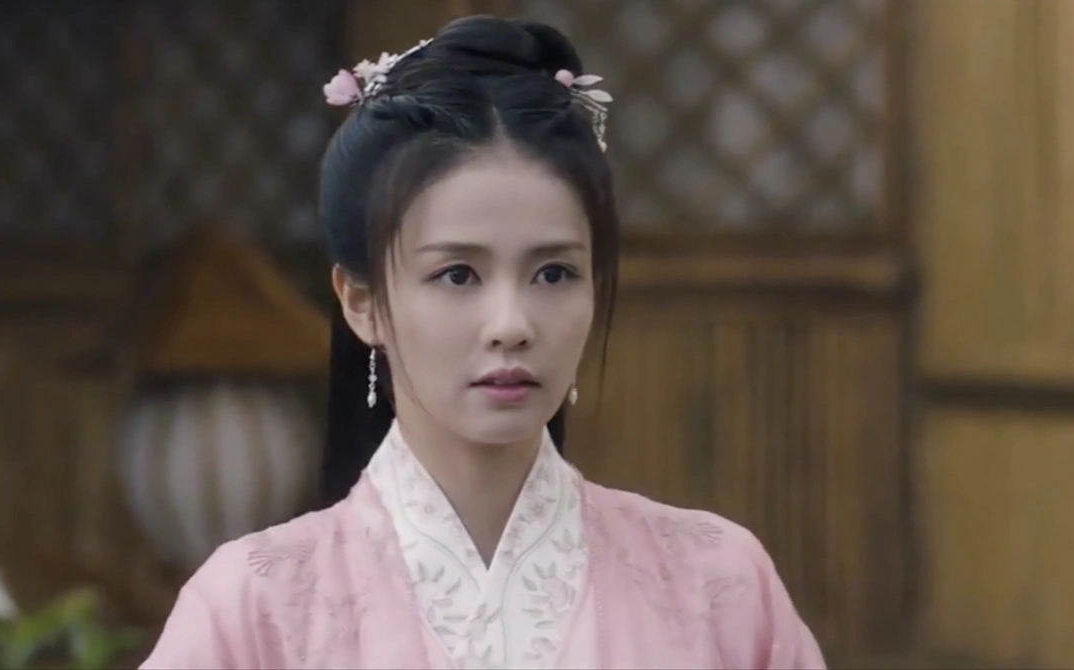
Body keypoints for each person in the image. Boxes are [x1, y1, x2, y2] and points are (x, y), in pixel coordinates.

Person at [140, 15, 825, 670]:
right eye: (458, 274)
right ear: (361, 302)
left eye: (553, 273)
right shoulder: (254, 608)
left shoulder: (717, 586)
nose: (511, 323)